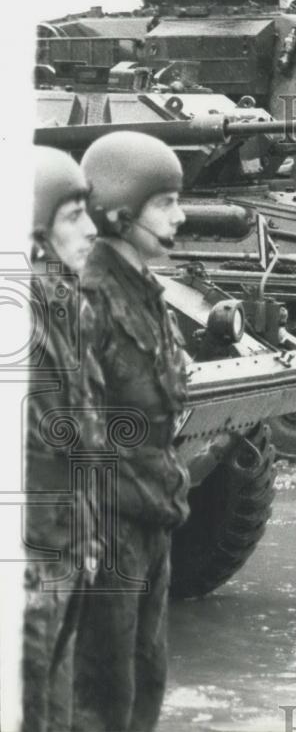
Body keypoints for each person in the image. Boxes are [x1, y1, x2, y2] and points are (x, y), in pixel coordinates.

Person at [71, 131, 189, 732]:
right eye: (165, 204)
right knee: (101, 696)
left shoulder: (147, 291)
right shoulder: (90, 299)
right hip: (107, 527)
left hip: (152, 514)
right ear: (120, 213)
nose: (182, 215)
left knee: (146, 679)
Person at [23, 147, 102, 732]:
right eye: (74, 215)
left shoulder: (64, 310)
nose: (92, 230)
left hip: (64, 552)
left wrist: (87, 539)